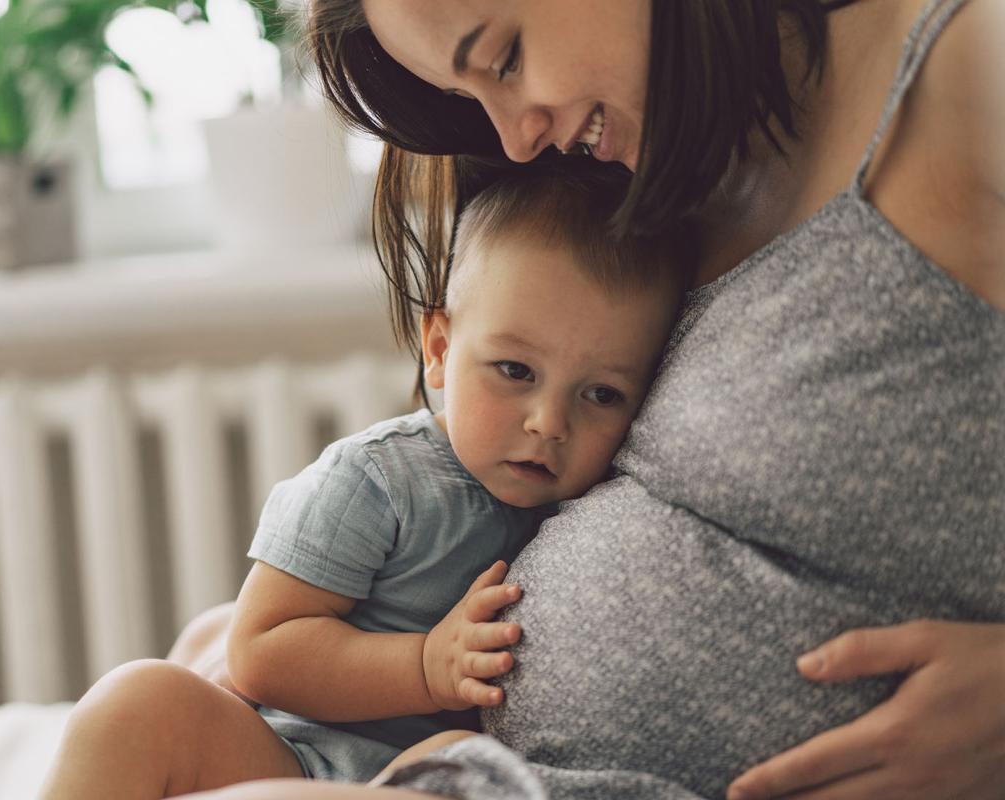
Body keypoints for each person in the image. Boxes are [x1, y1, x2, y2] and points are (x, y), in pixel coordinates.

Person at [165, 0, 1004, 798]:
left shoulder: (967, 68)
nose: (516, 139)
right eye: (470, 95)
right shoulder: (645, 172)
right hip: (461, 759)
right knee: (142, 716)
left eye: (505, 56)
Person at [38, 170, 692, 797]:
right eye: (515, 370)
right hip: (288, 755)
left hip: (418, 776)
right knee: (137, 702)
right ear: (438, 347)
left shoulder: (607, 503)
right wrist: (425, 668)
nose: (549, 422)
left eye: (602, 394)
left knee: (451, 759)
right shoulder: (380, 480)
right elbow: (261, 648)